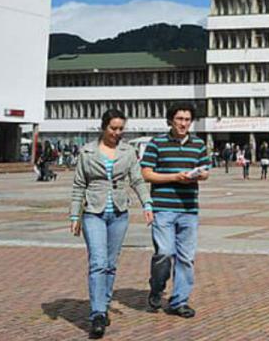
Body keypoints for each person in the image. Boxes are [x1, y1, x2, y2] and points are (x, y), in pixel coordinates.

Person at [70, 109, 153, 339]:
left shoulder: (128, 151)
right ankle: (97, 314)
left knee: (110, 263)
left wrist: (147, 204)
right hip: (93, 213)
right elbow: (79, 185)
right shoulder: (87, 152)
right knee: (97, 262)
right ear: (103, 127)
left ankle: (104, 304)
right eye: (113, 128)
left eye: (120, 129)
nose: (117, 133)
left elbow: (137, 179)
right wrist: (74, 216)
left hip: (118, 213)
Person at [141, 101, 210, 319]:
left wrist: (199, 175)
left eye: (187, 120)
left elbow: (206, 170)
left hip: (189, 208)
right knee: (164, 253)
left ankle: (179, 300)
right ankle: (157, 286)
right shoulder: (157, 143)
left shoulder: (198, 144)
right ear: (171, 120)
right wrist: (174, 177)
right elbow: (146, 173)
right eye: (179, 119)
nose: (183, 123)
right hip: (163, 207)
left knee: (186, 257)